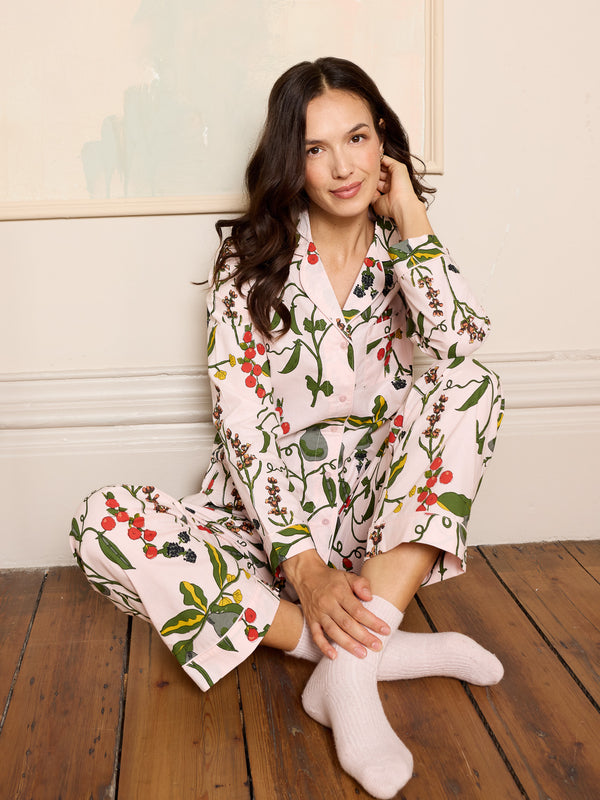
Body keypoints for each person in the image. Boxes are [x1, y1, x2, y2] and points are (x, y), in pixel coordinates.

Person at [70, 57, 504, 798]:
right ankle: (349, 650)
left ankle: (351, 666)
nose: (343, 167)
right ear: (291, 161)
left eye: (357, 138)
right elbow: (243, 425)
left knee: (474, 384)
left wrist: (413, 218)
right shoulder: (249, 263)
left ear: (383, 141)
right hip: (269, 522)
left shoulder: (405, 251)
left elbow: (459, 349)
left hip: (373, 522)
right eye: (315, 148)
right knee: (100, 524)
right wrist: (301, 564)